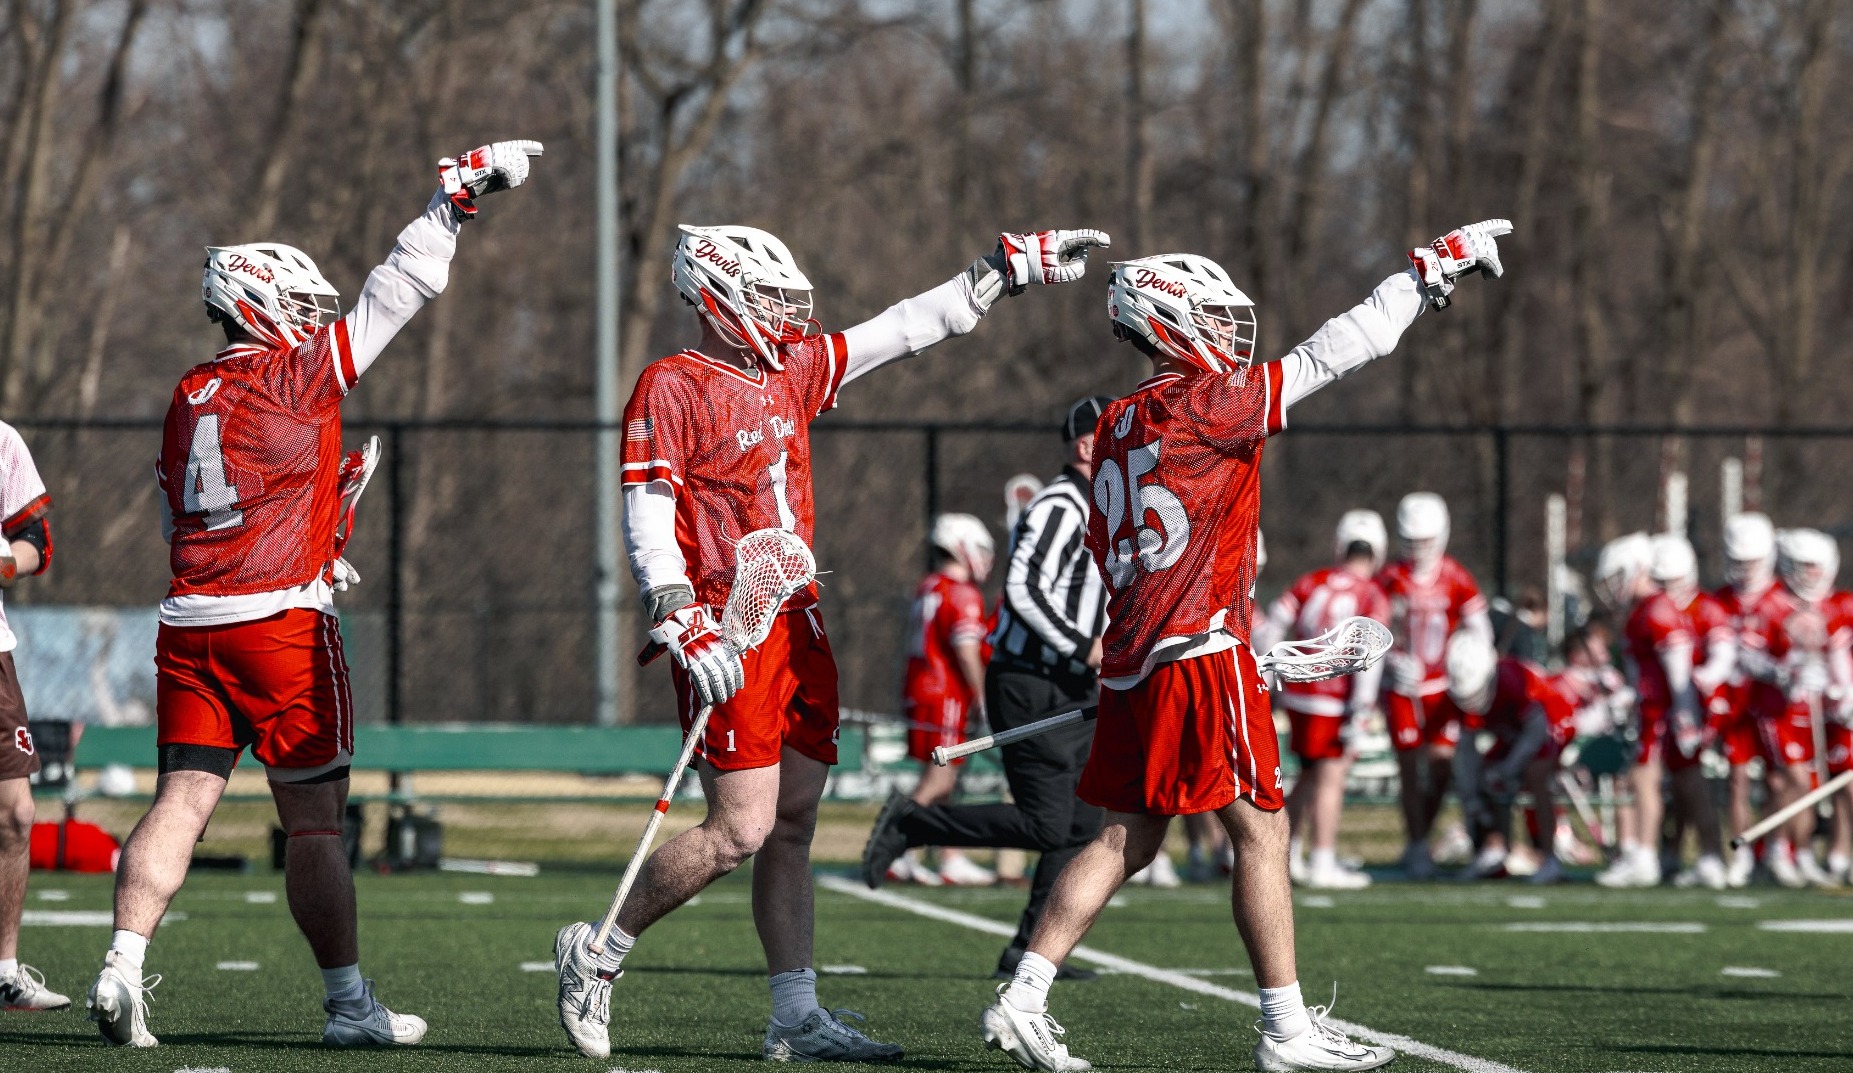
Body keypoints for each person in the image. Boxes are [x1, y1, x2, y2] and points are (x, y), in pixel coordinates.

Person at [553, 225, 1110, 1061]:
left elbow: (905, 327)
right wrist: (675, 608)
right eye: (768, 296)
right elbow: (645, 507)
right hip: (726, 619)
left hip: (798, 618)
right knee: (738, 828)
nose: (784, 314)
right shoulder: (671, 383)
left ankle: (795, 1012)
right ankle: (596, 952)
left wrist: (1004, 270)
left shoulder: (791, 368)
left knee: (793, 821)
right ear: (715, 294)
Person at [978, 222, 1510, 1073]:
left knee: (1126, 838)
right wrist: (1428, 271)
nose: (1231, 338)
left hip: (1138, 655)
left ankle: (1023, 993)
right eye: (1216, 320)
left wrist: (1241, 648)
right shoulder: (1209, 406)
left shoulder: (1115, 423)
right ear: (1168, 322)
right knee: (1261, 829)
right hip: (1195, 651)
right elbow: (1346, 345)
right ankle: (1285, 1029)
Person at [81, 141, 543, 1049]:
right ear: (252, 302)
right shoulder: (293, 375)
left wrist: (320, 518)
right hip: (279, 625)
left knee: (181, 797)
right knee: (317, 823)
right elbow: (397, 290)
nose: (308, 319)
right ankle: (346, 1004)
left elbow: (223, 496)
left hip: (190, 622)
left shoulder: (188, 391)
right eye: (293, 303)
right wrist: (451, 206)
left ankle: (121, 966)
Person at [862, 396, 1113, 982]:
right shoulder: (1060, 505)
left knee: (1082, 826)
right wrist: (1085, 645)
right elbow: (1023, 590)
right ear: (1084, 447)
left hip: (1075, 686)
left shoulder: (1104, 505)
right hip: (1031, 680)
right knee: (1050, 824)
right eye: (1113, 436)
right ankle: (914, 822)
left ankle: (1032, 951)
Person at [1262, 510, 1389, 890]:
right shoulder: (1371, 594)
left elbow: (1273, 626)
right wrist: (1361, 710)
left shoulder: (1311, 581)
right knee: (1331, 779)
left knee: (1309, 776)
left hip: (1299, 695)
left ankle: (1290, 849)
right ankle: (1322, 857)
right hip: (1335, 701)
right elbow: (1371, 660)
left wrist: (1274, 672)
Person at [1596, 534, 1727, 889]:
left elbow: (1678, 666)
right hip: (1658, 709)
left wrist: (1685, 716)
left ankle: (1653, 856)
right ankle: (1690, 857)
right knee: (1677, 783)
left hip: (1667, 712)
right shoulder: (1646, 609)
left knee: (1658, 780)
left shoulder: (1656, 609)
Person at [1377, 492, 1492, 878]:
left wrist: (1471, 660)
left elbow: (1480, 627)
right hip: (1402, 687)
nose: (1419, 548)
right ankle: (1418, 845)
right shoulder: (1391, 577)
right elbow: (1370, 626)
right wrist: (1389, 658)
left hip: (1443, 686)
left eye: (1426, 540)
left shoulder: (1456, 576)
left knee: (1442, 767)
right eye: (1413, 540)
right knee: (1409, 767)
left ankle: (1420, 837)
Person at [890, 513, 998, 887]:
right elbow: (967, 650)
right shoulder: (961, 593)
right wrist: (983, 696)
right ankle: (898, 848)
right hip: (945, 693)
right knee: (938, 780)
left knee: (945, 779)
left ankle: (949, 854)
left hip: (920, 688)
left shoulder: (928, 586)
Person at [0, 424, 61, 1013]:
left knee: (16, 815)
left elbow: (35, 542)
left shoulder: (1, 443)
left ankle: (3, 972)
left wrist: (2, 563)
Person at [1445, 633, 1574, 884]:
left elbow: (1537, 730)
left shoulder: (1511, 680)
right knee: (1488, 775)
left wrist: (1509, 768)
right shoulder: (1464, 694)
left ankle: (1548, 859)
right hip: (1516, 732)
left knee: (1537, 774)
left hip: (1550, 721)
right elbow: (1468, 750)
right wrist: (1471, 794)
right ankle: (1494, 850)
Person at [1764, 528, 1844, 887]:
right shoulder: (1774, 602)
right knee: (1793, 780)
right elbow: (1754, 653)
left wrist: (1841, 690)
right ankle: (1780, 849)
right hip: (1779, 709)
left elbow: (1840, 654)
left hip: (1819, 710)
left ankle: (1806, 852)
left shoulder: (1837, 605)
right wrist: (1785, 671)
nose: (1811, 576)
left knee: (1812, 784)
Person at [1711, 513, 1783, 886]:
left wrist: (1775, 666)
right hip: (1736, 703)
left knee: (1779, 781)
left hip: (1774, 702)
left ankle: (1776, 849)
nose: (1744, 568)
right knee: (1737, 779)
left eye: (1750, 561)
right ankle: (1741, 852)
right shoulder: (1720, 600)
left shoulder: (1781, 598)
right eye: (1738, 560)